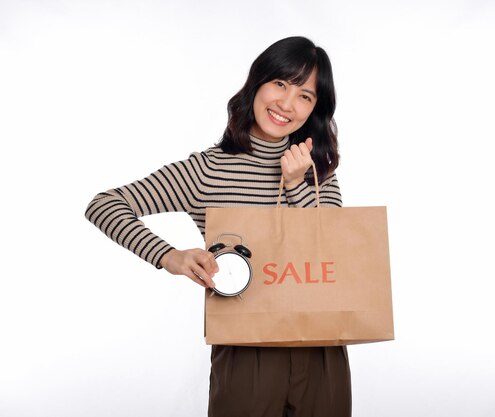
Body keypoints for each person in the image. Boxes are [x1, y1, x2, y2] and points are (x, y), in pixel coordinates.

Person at [85, 36, 350, 417]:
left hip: (323, 347)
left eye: (305, 96)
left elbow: (333, 251)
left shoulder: (317, 169)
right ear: (257, 83)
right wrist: (169, 256)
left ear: (314, 109)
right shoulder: (208, 169)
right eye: (280, 84)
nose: (287, 104)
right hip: (245, 345)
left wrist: (296, 184)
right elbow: (105, 204)